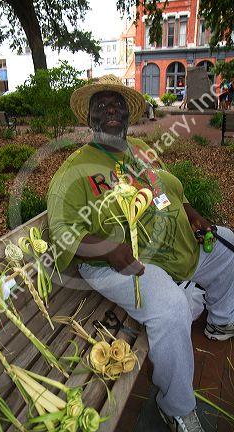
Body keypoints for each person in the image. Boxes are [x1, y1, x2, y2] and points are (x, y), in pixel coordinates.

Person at [47, 75, 234, 432]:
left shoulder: (135, 149)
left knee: (227, 244)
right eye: (101, 106)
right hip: (116, 263)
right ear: (90, 120)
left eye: (117, 104)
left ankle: (222, 321)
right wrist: (107, 247)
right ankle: (177, 408)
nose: (110, 110)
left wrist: (192, 213)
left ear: (129, 117)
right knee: (171, 308)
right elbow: (62, 233)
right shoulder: (73, 172)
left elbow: (169, 185)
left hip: (172, 246)